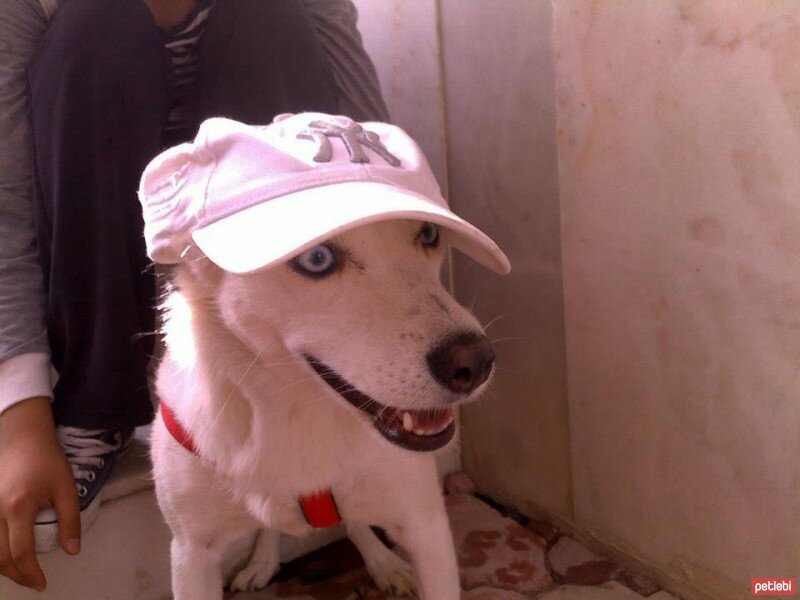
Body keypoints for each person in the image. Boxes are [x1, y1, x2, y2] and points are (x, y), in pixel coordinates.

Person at [0, 0, 389, 592]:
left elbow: (371, 147)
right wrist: (21, 420)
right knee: (97, 22)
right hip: (99, 232)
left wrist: (389, 329)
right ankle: (96, 406)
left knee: (270, 15)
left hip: (243, 219)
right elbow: (8, 208)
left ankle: (293, 357)